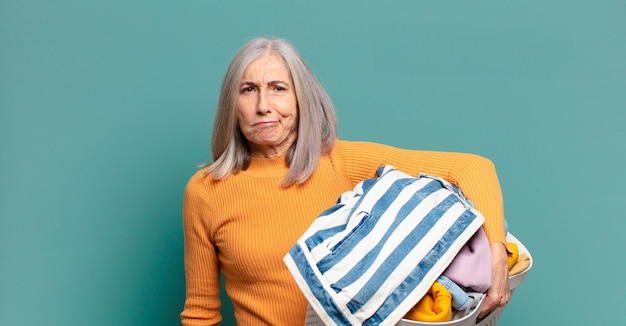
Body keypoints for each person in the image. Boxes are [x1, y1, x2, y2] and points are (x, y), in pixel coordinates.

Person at [181, 37, 510, 325]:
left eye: (278, 88)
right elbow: (200, 315)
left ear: (301, 98)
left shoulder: (340, 162)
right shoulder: (207, 191)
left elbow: (473, 168)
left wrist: (496, 254)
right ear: (232, 104)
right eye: (248, 90)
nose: (263, 105)